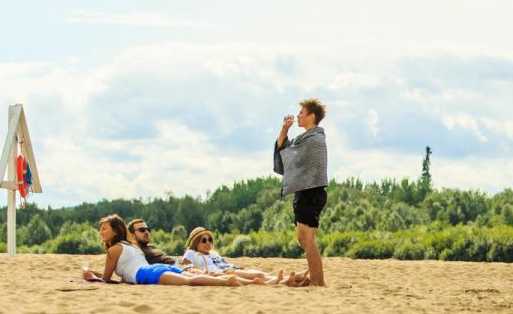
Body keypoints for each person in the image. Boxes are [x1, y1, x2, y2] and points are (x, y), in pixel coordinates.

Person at [82, 214, 257, 287]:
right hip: (157, 268)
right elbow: (117, 275)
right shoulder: (129, 246)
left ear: (115, 230)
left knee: (189, 282)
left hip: (148, 274)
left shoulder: (114, 250)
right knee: (190, 277)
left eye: (104, 228)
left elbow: (105, 280)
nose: (101, 232)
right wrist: (94, 273)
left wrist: (90, 278)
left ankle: (227, 282)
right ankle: (244, 281)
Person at [274, 98, 328, 286]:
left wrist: (287, 135)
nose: (298, 116)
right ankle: (318, 280)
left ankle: (317, 281)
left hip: (312, 192)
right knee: (304, 239)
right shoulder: (305, 139)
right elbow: (284, 149)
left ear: (311, 116)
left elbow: (288, 153)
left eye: (301, 113)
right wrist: (285, 129)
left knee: (307, 238)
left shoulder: (314, 139)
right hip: (305, 191)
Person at [181, 226, 308, 286]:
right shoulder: (191, 253)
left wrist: (239, 267)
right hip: (220, 274)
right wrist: (202, 272)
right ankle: (285, 281)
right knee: (254, 277)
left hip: (228, 269)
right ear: (195, 242)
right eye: (203, 240)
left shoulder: (213, 253)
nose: (208, 243)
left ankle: (292, 279)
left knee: (259, 274)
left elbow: (224, 263)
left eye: (210, 240)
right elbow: (186, 270)